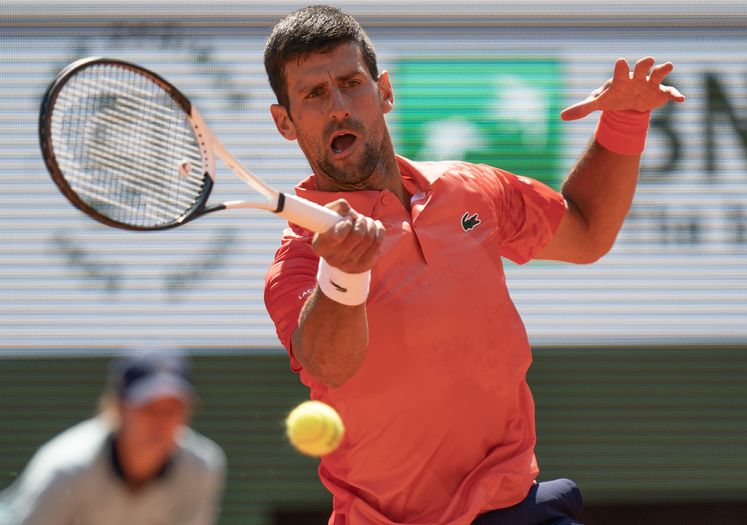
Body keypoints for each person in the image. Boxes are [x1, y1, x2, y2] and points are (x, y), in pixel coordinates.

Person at [263, 5, 684, 525]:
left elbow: (588, 231)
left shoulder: (471, 189)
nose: (339, 107)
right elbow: (328, 364)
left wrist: (625, 119)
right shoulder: (301, 259)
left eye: (351, 83)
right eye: (314, 94)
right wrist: (343, 274)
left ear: (385, 91)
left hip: (511, 506)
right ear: (285, 122)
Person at [0, 350, 227, 525]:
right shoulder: (64, 469)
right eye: (148, 408)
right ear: (117, 408)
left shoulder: (202, 469)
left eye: (172, 410)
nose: (161, 422)